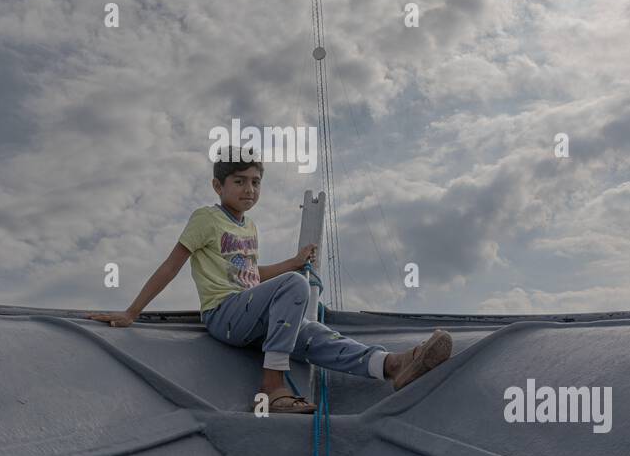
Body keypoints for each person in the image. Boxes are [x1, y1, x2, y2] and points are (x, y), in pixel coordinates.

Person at [89, 149, 453, 414]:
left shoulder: (249, 226)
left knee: (313, 332)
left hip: (254, 314)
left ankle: (393, 364)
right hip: (224, 315)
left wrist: (293, 262)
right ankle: (272, 387)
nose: (249, 189)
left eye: (256, 182)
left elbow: (249, 275)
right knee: (294, 286)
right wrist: (131, 312)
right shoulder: (205, 219)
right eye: (240, 181)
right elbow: (171, 265)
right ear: (218, 185)